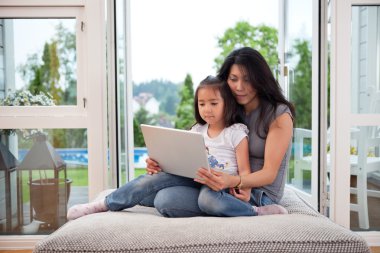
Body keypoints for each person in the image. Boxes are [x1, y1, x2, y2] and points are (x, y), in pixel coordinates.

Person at [67, 73, 287, 220]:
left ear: (227, 104)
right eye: (202, 104)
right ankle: (104, 204)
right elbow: (181, 161)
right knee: (152, 181)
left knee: (207, 200)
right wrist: (159, 164)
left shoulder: (236, 132)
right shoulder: (197, 131)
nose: (207, 109)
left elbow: (244, 171)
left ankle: (255, 211)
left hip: (221, 187)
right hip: (193, 178)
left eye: (213, 103)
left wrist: (245, 191)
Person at [147, 47, 294, 217]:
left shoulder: (278, 114)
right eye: (233, 79)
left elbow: (269, 173)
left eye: (247, 80)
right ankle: (215, 203)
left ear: (260, 79)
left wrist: (238, 182)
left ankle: (251, 210)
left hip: (257, 193)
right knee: (162, 198)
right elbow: (197, 146)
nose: (239, 87)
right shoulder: (228, 108)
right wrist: (162, 163)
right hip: (215, 184)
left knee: (202, 200)